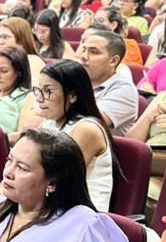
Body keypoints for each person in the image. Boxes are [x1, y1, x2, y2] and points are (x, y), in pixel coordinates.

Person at [27, 61, 114, 211]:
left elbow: (60, 181)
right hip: (50, 206)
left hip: (81, 214)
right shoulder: (48, 124)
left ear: (72, 95)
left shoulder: (87, 129)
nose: (40, 98)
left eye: (48, 91)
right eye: (38, 90)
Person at [76, 28, 137, 135]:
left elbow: (91, 123)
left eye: (94, 52)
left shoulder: (125, 89)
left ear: (113, 61)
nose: (83, 57)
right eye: (84, 49)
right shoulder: (76, 79)